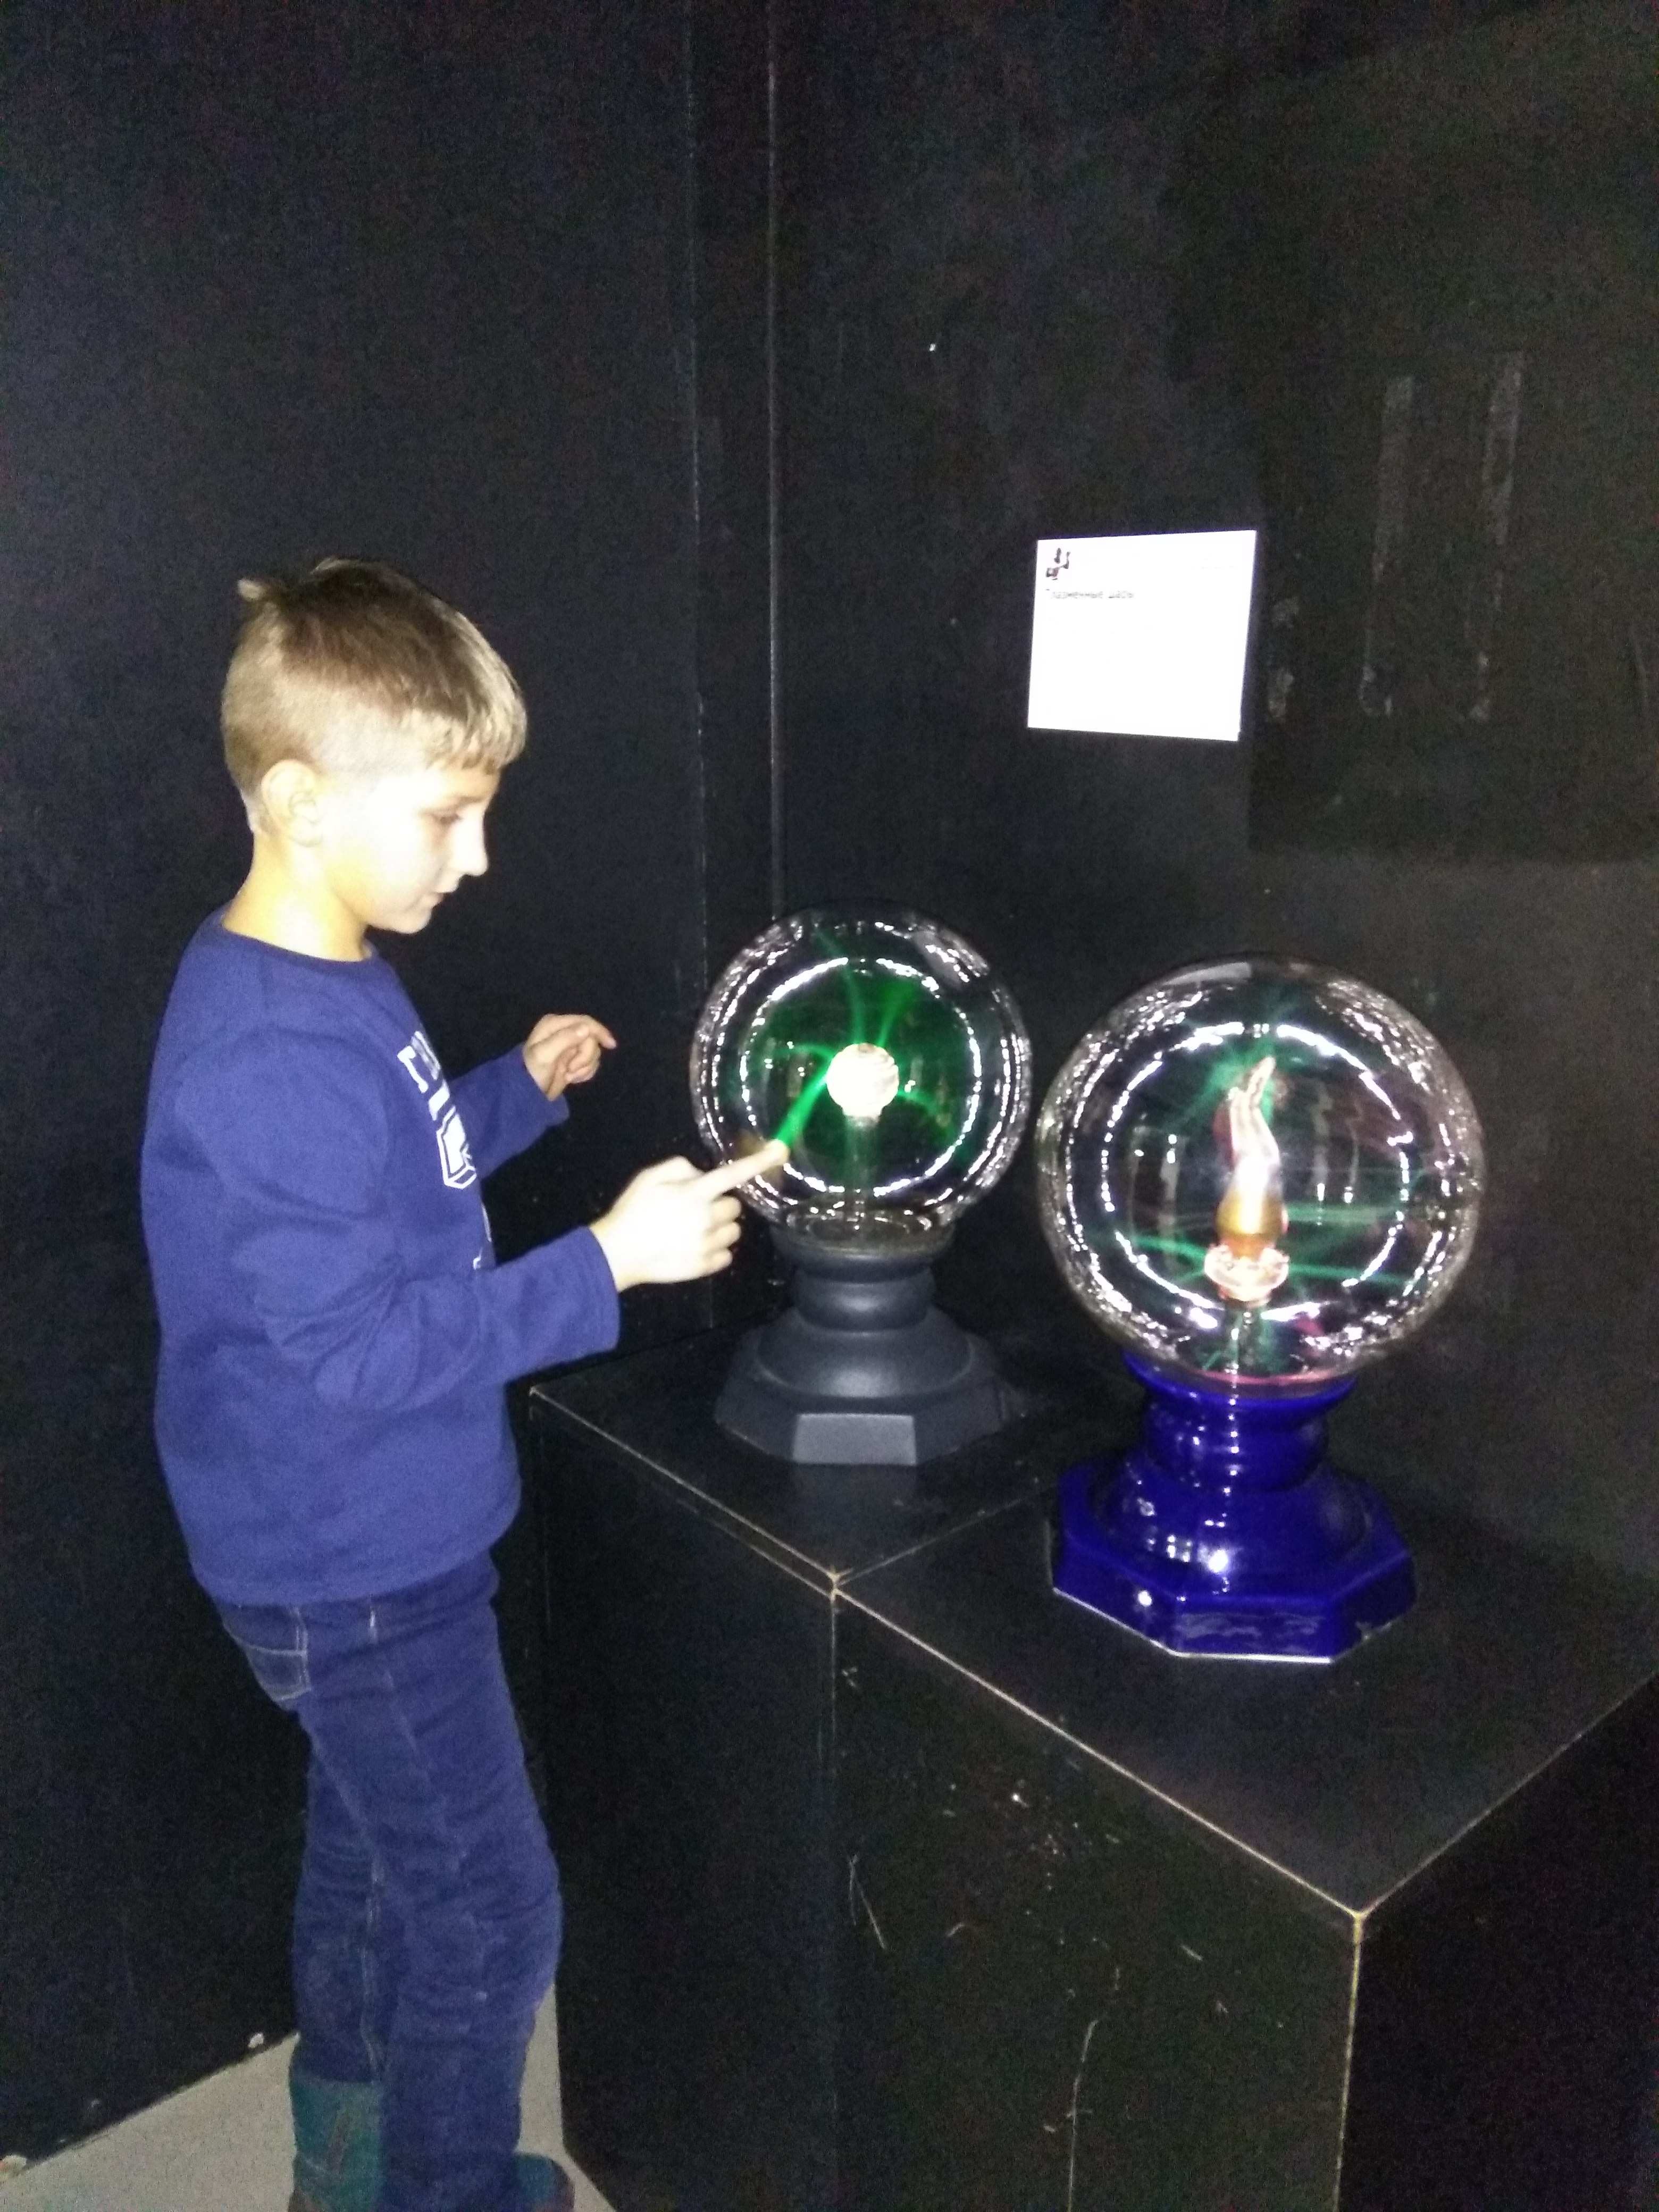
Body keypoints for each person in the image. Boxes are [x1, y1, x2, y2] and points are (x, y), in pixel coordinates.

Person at [139, 559, 784, 2212]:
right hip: (354, 1562)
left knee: (373, 1864)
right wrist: (609, 1264)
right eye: (447, 816)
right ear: (302, 801)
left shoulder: (326, 969)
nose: (478, 856)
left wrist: (509, 1096)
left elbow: (391, 1189)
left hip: (360, 1540)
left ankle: (347, 2161)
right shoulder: (268, 1052)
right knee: (493, 1917)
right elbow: (358, 1351)